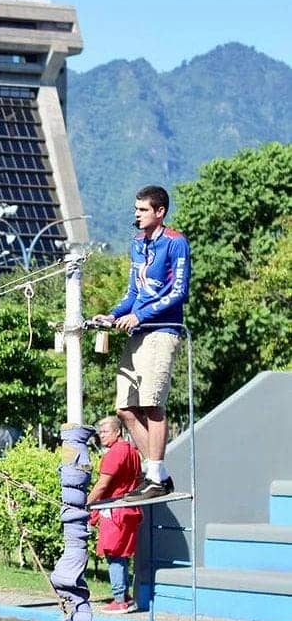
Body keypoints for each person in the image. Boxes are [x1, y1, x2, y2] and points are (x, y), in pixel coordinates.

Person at [91, 184, 191, 502]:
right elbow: (133, 292)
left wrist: (141, 315)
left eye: (143, 209)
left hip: (162, 330)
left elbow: (179, 291)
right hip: (138, 332)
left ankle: (155, 474)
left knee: (151, 404)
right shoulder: (137, 244)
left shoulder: (176, 243)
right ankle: (156, 474)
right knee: (125, 409)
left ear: (159, 211)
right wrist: (114, 314)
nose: (137, 215)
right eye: (135, 209)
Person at [87, 416, 143, 613]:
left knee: (114, 554)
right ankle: (126, 598)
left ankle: (119, 600)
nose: (101, 435)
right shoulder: (133, 452)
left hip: (115, 511)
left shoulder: (115, 453)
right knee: (123, 555)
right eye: (100, 432)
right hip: (129, 510)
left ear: (117, 431)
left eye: (105, 431)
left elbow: (103, 484)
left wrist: (86, 503)